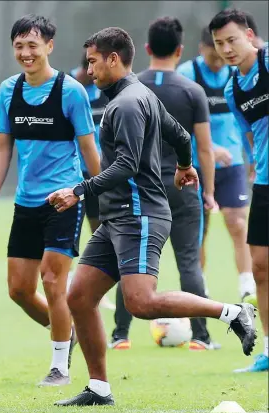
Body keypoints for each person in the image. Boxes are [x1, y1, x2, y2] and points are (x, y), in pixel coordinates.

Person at [46, 27, 257, 406]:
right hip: (116, 218)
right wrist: (184, 165)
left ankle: (233, 312)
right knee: (78, 297)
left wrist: (79, 190)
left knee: (141, 302)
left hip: (138, 214)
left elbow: (126, 165)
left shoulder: (126, 104)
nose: (89, 70)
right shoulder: (139, 95)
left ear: (114, 59)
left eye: (94, 61)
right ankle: (98, 388)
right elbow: (179, 134)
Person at [0, 14, 100, 386]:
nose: (25, 53)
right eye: (19, 46)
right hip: (25, 203)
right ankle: (66, 329)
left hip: (63, 199)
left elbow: (88, 149)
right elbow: (3, 147)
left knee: (51, 281)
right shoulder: (8, 90)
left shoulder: (71, 91)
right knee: (18, 290)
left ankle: (59, 365)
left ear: (49, 46)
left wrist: (98, 190)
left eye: (33, 45)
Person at [109, 16, 220, 352]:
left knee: (129, 260)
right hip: (182, 186)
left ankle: (120, 335)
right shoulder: (192, 91)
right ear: (179, 50)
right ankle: (201, 337)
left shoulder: (129, 87)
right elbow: (203, 147)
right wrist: (210, 192)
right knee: (188, 260)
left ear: (146, 49)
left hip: (139, 190)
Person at [177, 25, 256, 303]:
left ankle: (247, 285)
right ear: (202, 49)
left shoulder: (235, 73)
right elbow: (178, 124)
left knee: (237, 221)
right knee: (200, 227)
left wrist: (251, 155)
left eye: (225, 48)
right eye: (214, 50)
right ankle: (201, 288)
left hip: (232, 163)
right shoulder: (188, 75)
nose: (221, 56)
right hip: (196, 166)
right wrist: (209, 147)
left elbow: (247, 119)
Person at [209, 8, 268, 373]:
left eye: (231, 40)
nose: (226, 49)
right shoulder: (232, 88)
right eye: (219, 44)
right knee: (261, 268)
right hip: (263, 181)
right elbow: (249, 137)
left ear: (248, 34)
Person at [69, 55, 115, 311]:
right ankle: (67, 282)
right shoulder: (71, 88)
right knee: (69, 231)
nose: (90, 71)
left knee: (100, 227)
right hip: (74, 175)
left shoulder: (107, 91)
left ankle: (97, 287)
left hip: (101, 173)